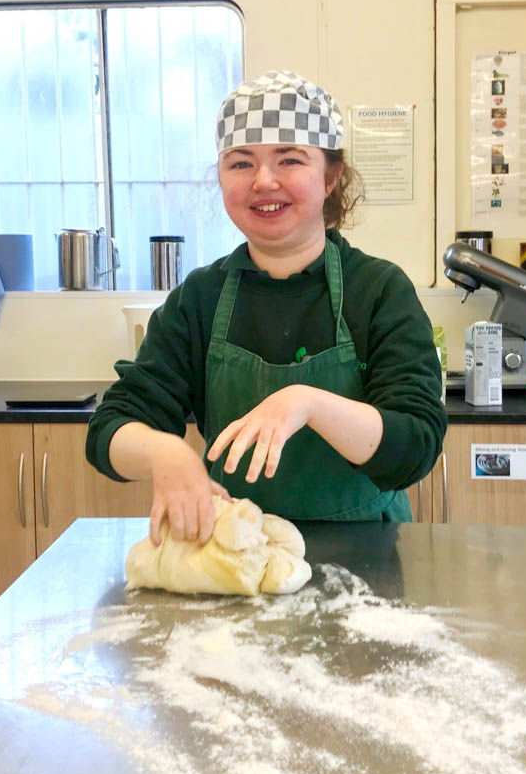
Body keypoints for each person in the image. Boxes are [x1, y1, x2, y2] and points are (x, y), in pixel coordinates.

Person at [86, 70, 446, 545]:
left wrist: (309, 403)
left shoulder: (378, 291)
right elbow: (109, 430)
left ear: (331, 176)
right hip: (238, 553)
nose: (263, 181)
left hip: (368, 558)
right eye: (240, 164)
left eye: (290, 159)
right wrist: (164, 452)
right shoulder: (200, 298)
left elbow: (414, 447)